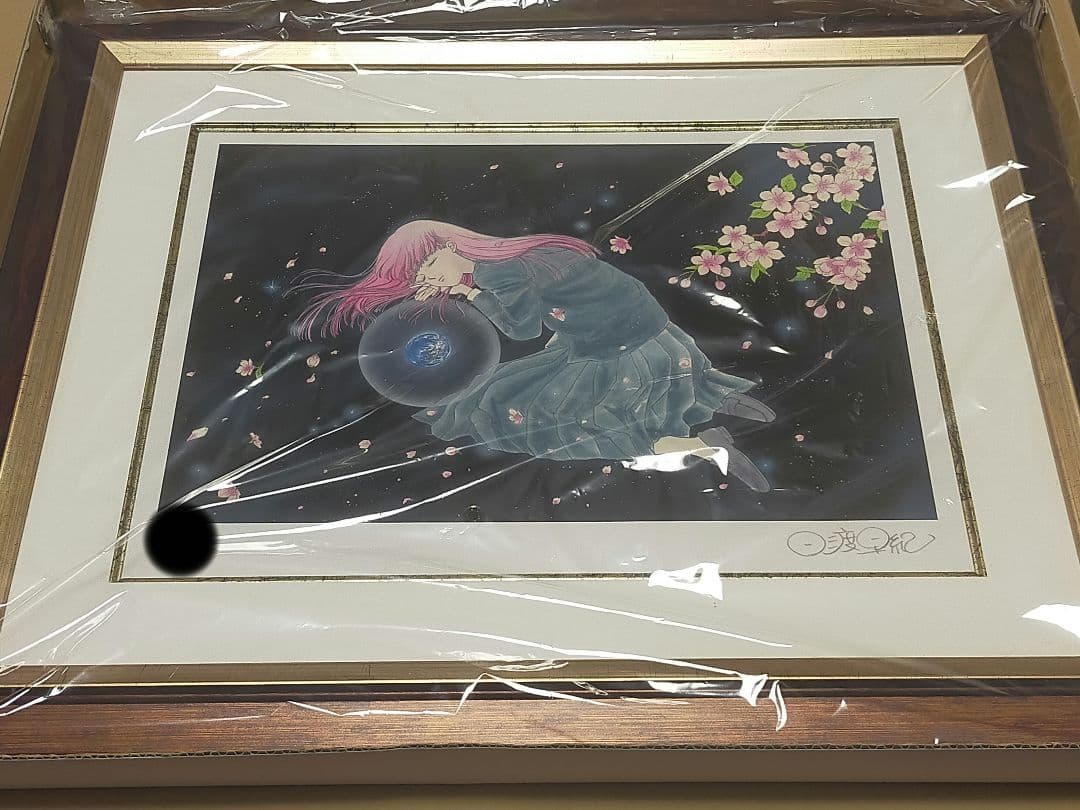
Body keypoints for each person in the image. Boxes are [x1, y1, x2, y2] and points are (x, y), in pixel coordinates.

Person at [297, 220, 775, 491]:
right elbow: (566, 300)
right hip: (650, 329)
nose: (433, 281)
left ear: (450, 245)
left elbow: (521, 329)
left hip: (613, 348)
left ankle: (705, 446)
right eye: (423, 277)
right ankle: (716, 395)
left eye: (430, 267)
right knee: (661, 373)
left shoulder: (497, 273)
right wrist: (466, 284)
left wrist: (470, 292)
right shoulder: (519, 254)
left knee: (544, 412)